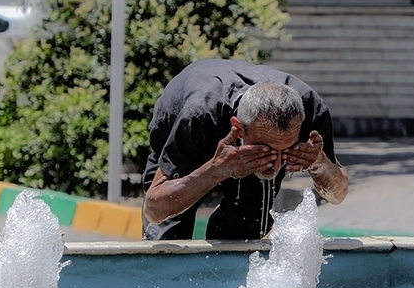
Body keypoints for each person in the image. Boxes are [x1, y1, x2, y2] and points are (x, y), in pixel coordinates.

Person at [142, 59, 349, 241]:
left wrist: (319, 163)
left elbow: (337, 195)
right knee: (165, 246)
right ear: (238, 128)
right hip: (184, 127)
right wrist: (215, 170)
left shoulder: (311, 111)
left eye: (286, 152)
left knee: (245, 231)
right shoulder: (199, 116)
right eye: (265, 149)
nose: (276, 165)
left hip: (240, 138)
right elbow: (154, 210)